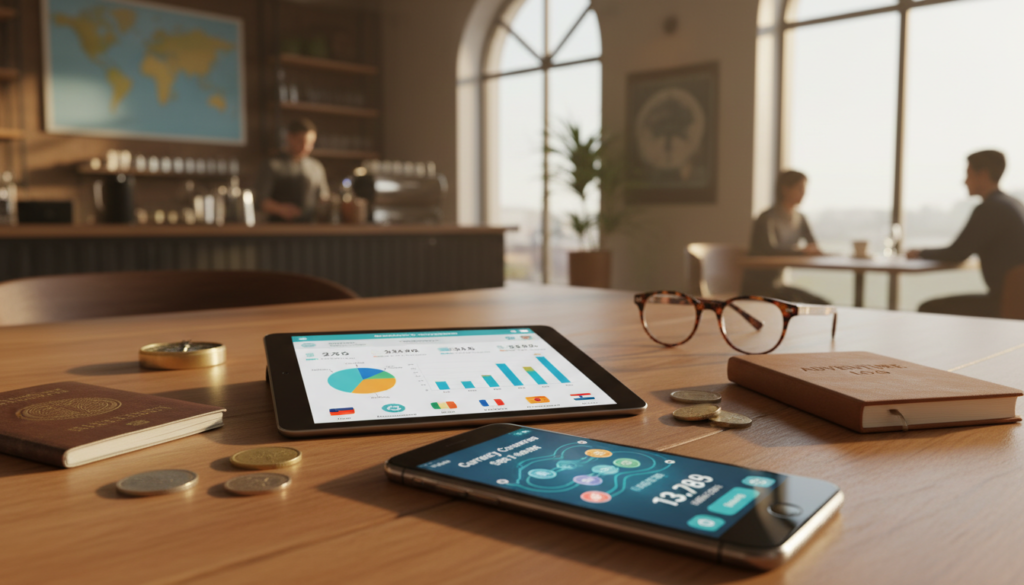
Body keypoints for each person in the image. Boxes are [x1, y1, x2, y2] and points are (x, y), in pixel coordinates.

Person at [908, 150, 1024, 317]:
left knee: (929, 309)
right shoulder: (1014, 204)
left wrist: (920, 253)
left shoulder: (990, 209)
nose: (965, 181)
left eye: (968, 174)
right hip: (1017, 301)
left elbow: (957, 253)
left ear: (982, 175)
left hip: (1005, 302)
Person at [741, 170, 829, 304]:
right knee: (806, 306)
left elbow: (813, 246)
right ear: (785, 189)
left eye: (804, 189)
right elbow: (769, 251)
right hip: (759, 287)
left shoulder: (800, 218)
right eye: (799, 188)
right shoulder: (767, 218)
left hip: (778, 286)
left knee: (823, 304)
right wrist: (801, 252)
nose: (803, 193)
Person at [258, 118, 331, 222]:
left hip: (310, 225)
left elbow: (323, 196)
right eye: (301, 141)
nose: (306, 147)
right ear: (289, 137)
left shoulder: (316, 166)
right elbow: (261, 199)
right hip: (278, 227)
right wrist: (280, 209)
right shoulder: (272, 164)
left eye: (311, 143)